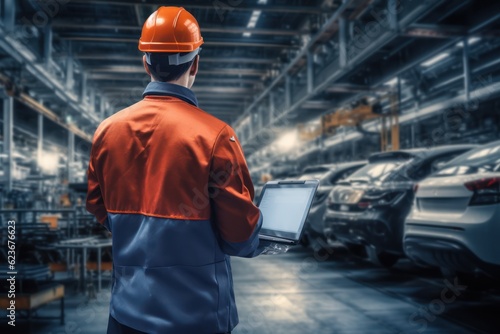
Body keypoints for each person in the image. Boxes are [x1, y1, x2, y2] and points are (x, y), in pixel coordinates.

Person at [86, 7, 264, 334]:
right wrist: (262, 231)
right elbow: (241, 235)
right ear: (195, 63)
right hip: (197, 316)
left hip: (126, 314)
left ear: (145, 62)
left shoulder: (107, 132)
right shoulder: (215, 136)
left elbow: (99, 207)